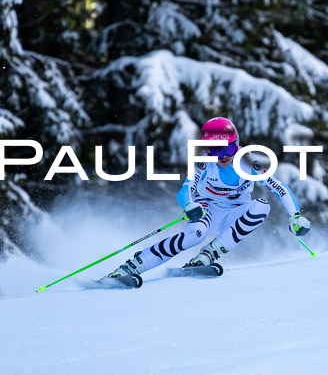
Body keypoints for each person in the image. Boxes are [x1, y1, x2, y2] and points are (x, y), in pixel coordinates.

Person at [109, 117, 311, 278]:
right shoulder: (204, 163)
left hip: (236, 213)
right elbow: (186, 189)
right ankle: (133, 266)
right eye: (215, 150)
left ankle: (209, 254)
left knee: (261, 206)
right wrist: (189, 205)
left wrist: (295, 215)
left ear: (237, 145)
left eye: (228, 148)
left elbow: (279, 188)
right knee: (194, 234)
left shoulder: (248, 162)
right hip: (209, 210)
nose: (222, 156)